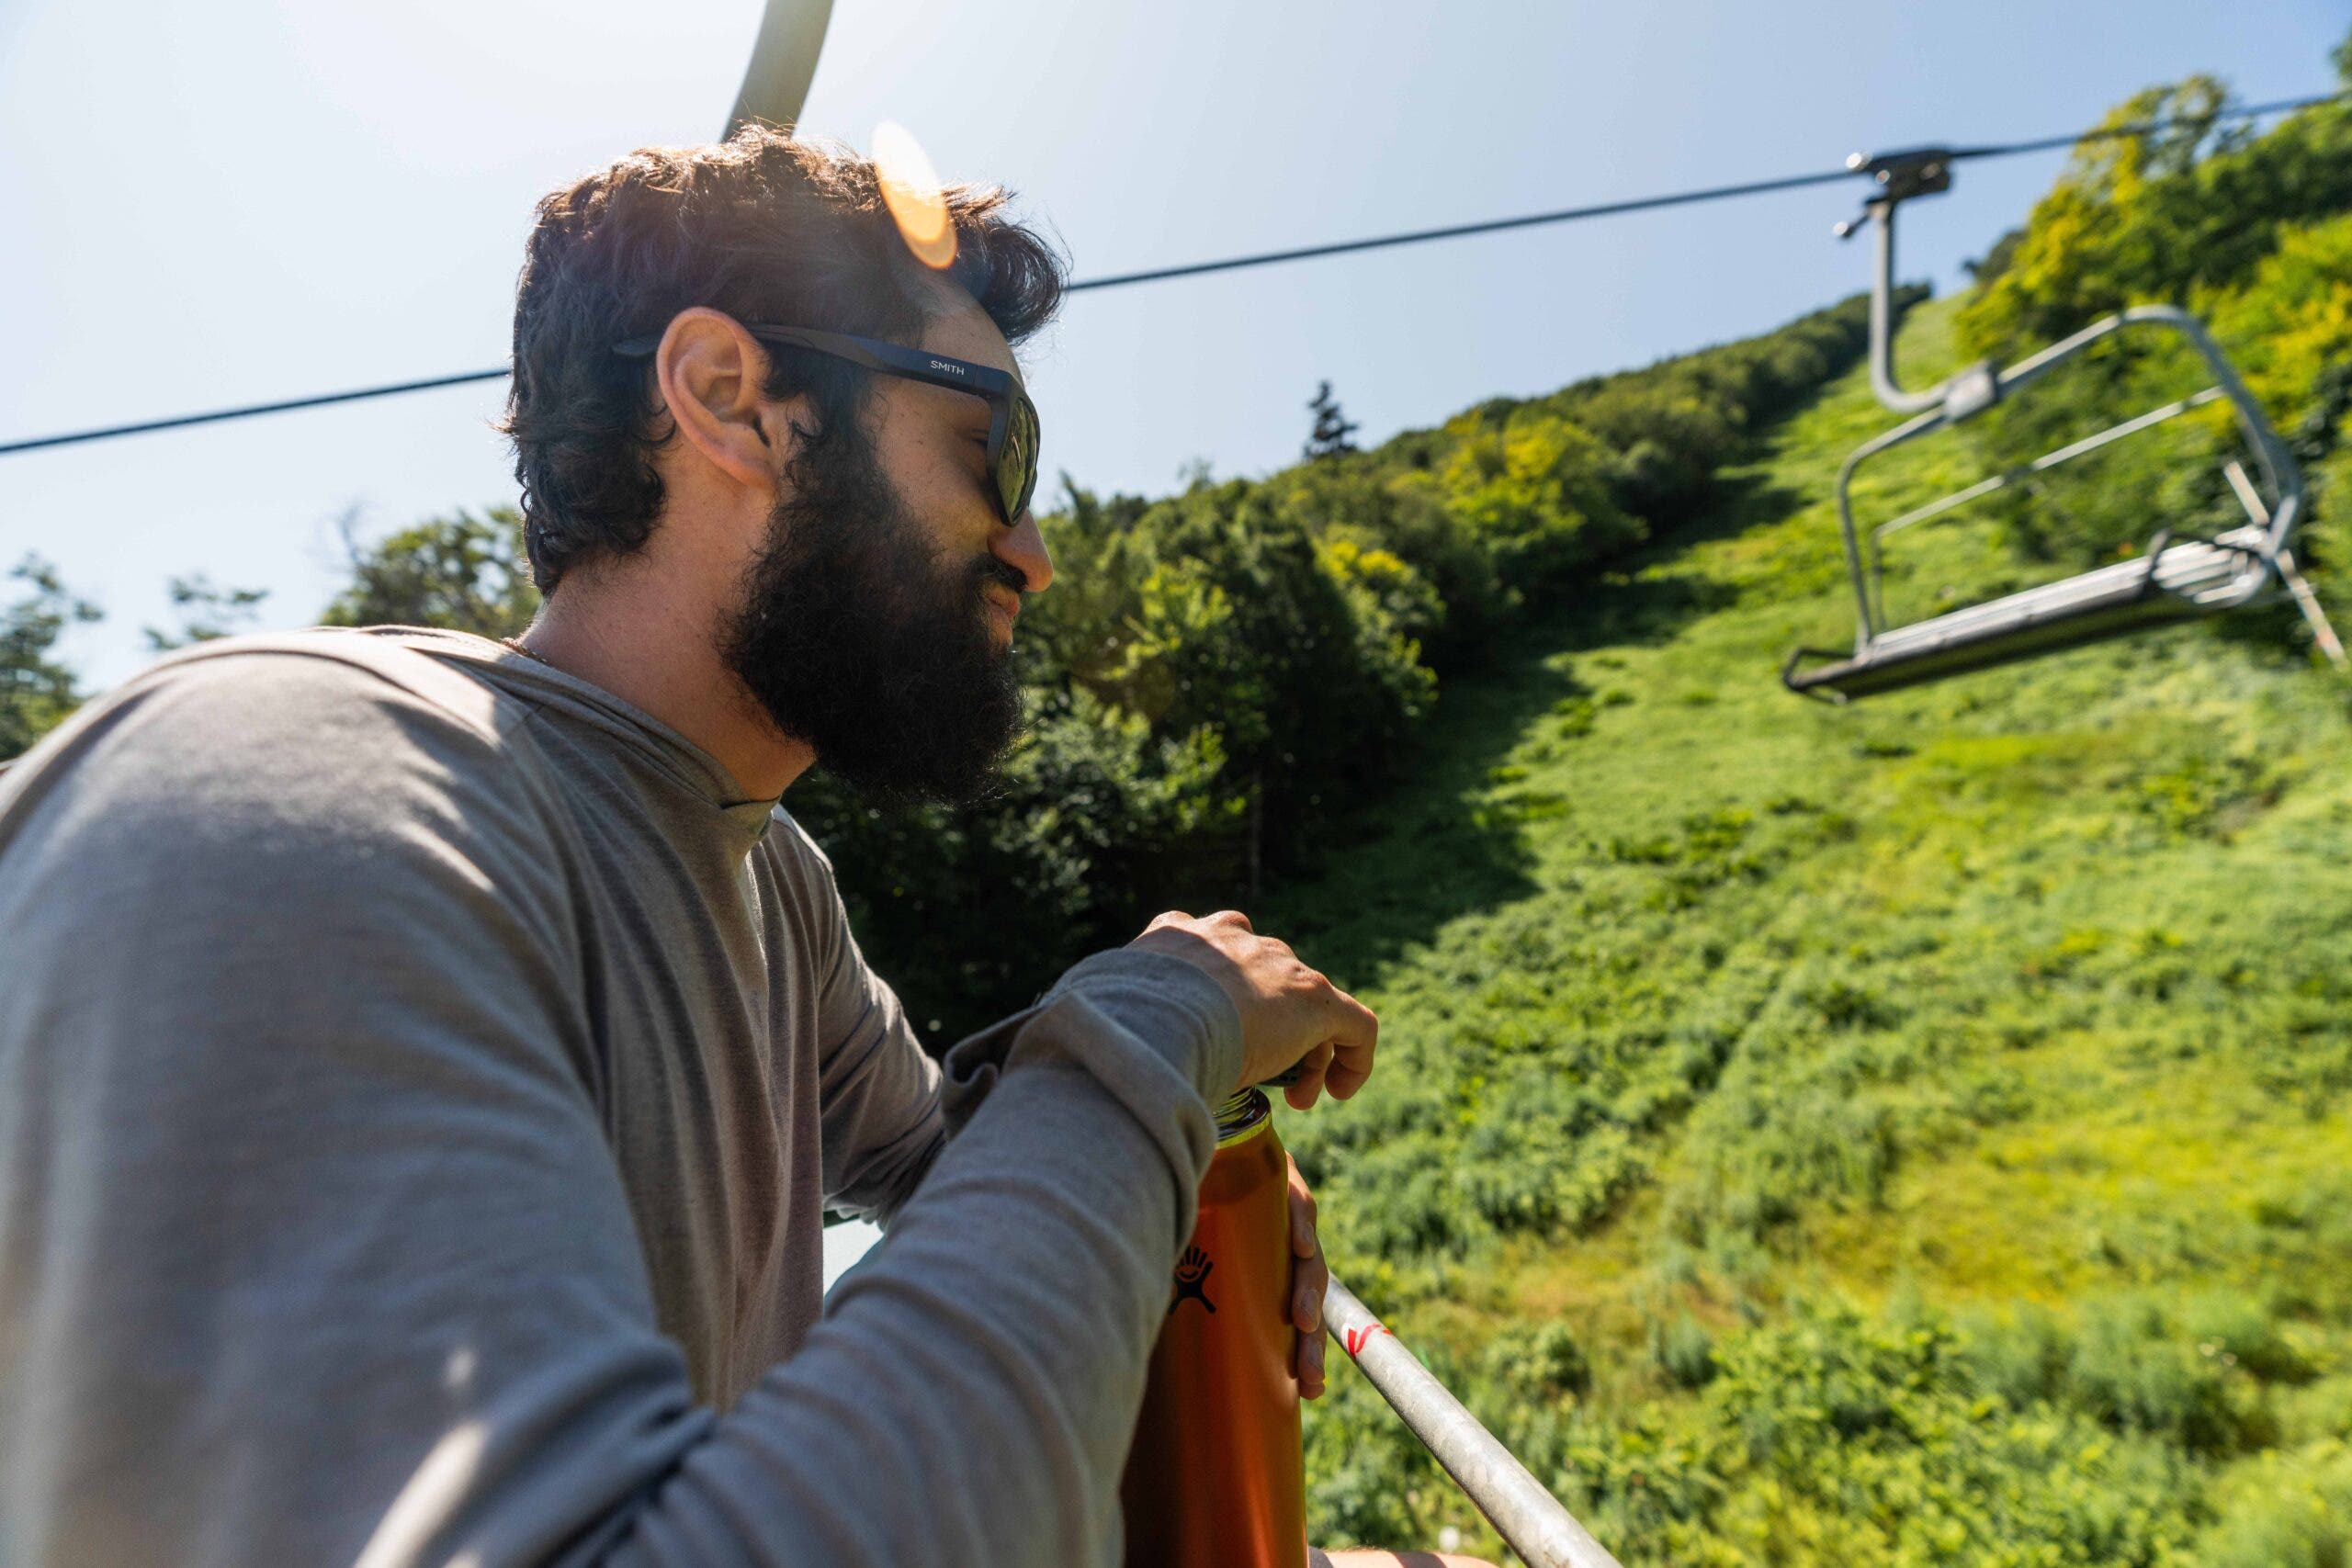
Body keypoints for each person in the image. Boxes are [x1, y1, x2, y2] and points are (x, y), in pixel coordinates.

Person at [0, 130, 1490, 1567]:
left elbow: (936, 1161)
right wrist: (1155, 1029)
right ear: (730, 397)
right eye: (993, 447)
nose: (1035, 546)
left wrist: (1198, 1156)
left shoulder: (772, 880)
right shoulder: (303, 790)